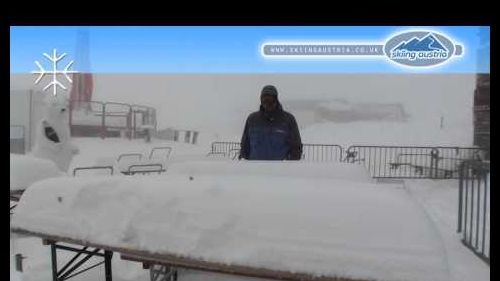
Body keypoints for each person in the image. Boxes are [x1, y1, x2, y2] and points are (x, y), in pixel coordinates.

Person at [239, 85, 302, 160]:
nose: (267, 103)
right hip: (254, 169)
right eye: (264, 99)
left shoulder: (288, 120)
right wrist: (244, 162)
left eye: (270, 99)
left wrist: (288, 164)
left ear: (276, 99)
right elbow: (245, 145)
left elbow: (296, 146)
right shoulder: (252, 119)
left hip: (280, 169)